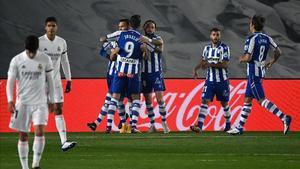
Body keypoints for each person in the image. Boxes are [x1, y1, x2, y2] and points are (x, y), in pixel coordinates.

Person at [227, 15, 292, 135]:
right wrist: (272, 61)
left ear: (252, 25)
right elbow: (279, 52)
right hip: (260, 72)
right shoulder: (267, 38)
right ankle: (239, 127)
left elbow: (248, 57)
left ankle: (284, 117)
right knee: (247, 100)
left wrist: (241, 59)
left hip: (253, 73)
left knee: (261, 100)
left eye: (250, 23)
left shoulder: (251, 38)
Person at [6, 35, 55, 169]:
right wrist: (10, 100)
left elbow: (51, 81)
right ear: (26, 49)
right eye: (29, 52)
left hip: (41, 103)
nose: (31, 54)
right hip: (23, 103)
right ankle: (24, 166)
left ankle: (36, 163)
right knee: (23, 135)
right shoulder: (17, 60)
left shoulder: (45, 59)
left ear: (37, 48)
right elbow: (10, 82)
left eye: (33, 52)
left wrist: (52, 99)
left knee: (39, 131)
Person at [39, 16, 76, 151]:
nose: (51, 28)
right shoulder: (39, 42)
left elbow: (65, 62)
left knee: (59, 109)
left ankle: (64, 142)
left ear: (57, 27)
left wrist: (69, 79)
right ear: (45, 27)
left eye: (53, 25)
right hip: (41, 83)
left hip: (56, 82)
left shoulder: (62, 42)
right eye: (49, 25)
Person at [87, 19, 130, 132]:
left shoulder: (127, 42)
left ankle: (101, 124)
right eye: (119, 27)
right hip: (110, 74)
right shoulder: (113, 40)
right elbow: (102, 51)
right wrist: (109, 57)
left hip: (119, 74)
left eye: (123, 27)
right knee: (119, 100)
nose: (121, 29)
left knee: (110, 99)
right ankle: (124, 121)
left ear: (128, 27)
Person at [190, 27, 232, 133]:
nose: (215, 37)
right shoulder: (207, 48)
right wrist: (196, 68)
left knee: (224, 104)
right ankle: (199, 126)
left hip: (222, 81)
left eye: (217, 35)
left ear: (220, 36)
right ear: (210, 36)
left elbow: (225, 64)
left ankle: (228, 126)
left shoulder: (224, 48)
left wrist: (210, 64)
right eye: (214, 35)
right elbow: (203, 61)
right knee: (205, 101)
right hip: (209, 81)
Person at [141, 20, 170, 133]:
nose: (150, 29)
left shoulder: (158, 38)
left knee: (160, 99)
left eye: (152, 27)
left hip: (157, 73)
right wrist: (145, 52)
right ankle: (152, 124)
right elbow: (145, 56)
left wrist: (147, 43)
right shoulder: (140, 39)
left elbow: (160, 47)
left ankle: (164, 123)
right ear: (144, 28)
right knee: (148, 100)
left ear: (155, 29)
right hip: (144, 73)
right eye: (148, 27)